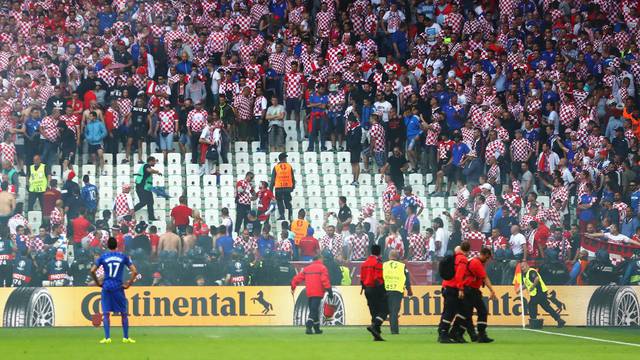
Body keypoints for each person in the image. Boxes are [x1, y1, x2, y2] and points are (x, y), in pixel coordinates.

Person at [90, 237, 138, 344]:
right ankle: (125, 338)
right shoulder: (123, 256)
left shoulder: (103, 257)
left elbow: (92, 270)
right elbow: (134, 271)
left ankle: (107, 338)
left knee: (106, 313)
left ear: (107, 246)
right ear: (117, 245)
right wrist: (128, 284)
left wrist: (98, 283)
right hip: (118, 287)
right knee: (124, 313)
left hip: (106, 287)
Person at [455, 247, 498, 343]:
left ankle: (459, 334)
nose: (487, 260)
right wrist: (492, 290)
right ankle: (481, 334)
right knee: (482, 311)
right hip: (470, 291)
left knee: (466, 314)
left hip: (470, 290)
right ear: (483, 255)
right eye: (487, 258)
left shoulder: (475, 261)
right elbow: (485, 277)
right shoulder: (476, 263)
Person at [291, 254, 333, 335]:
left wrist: (293, 286)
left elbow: (297, 278)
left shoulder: (307, 268)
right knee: (313, 310)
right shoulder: (323, 268)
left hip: (309, 292)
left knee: (314, 310)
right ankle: (309, 326)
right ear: (320, 259)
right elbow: (324, 280)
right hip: (318, 292)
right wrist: (329, 291)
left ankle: (317, 328)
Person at [437, 242, 469, 343]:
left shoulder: (453, 258)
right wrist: (460, 289)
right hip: (453, 288)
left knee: (450, 310)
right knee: (452, 312)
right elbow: (459, 275)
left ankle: (444, 332)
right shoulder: (462, 259)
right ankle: (445, 334)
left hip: (446, 286)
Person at [519, 262, 566, 327]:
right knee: (546, 307)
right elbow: (526, 283)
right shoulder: (525, 274)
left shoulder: (531, 272)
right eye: (521, 267)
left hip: (539, 292)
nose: (522, 268)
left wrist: (532, 287)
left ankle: (533, 321)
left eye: (523, 267)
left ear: (527, 266)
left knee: (532, 305)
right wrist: (521, 289)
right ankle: (559, 320)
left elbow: (536, 279)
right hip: (536, 293)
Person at [360, 244, 387, 341]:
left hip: (367, 289)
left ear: (370, 251)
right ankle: (375, 326)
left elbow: (362, 279)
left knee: (373, 312)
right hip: (376, 288)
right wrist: (382, 290)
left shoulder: (365, 263)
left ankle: (376, 335)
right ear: (380, 252)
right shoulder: (378, 263)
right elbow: (377, 278)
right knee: (384, 309)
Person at [383, 250, 413, 335]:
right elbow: (407, 279)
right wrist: (409, 290)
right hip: (397, 291)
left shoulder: (383, 265)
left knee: (386, 311)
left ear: (389, 257)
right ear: (398, 257)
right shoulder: (402, 266)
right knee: (394, 311)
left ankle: (376, 327)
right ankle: (394, 331)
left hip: (385, 290)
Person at [133, 156, 160, 221]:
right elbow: (149, 170)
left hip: (146, 188)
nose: (155, 163)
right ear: (150, 161)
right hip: (142, 187)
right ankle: (130, 211)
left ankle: (151, 217)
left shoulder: (146, 166)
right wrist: (157, 172)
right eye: (154, 161)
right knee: (143, 202)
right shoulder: (146, 165)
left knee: (150, 202)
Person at [271, 153, 295, 221]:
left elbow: (273, 180)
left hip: (278, 188)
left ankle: (282, 215)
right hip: (287, 188)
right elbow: (293, 178)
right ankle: (290, 216)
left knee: (279, 202)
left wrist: (270, 190)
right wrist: (292, 187)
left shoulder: (276, 167)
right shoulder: (289, 166)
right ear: (284, 159)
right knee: (287, 202)